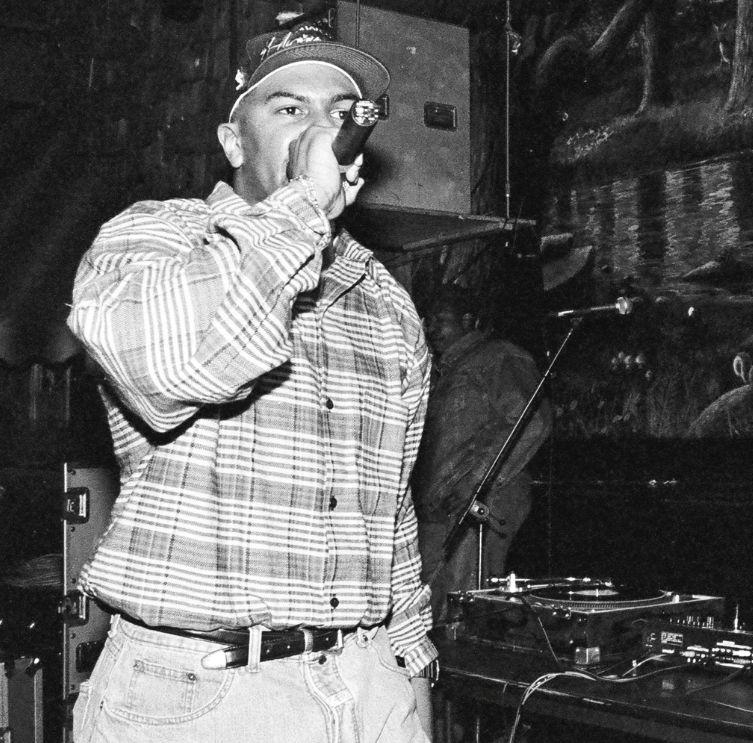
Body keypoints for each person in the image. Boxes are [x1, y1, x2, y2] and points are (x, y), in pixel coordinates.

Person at [66, 22, 436, 743]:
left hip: (366, 681)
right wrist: (300, 208)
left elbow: (392, 518)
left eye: (339, 113)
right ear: (234, 143)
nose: (320, 128)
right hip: (199, 694)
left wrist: (409, 687)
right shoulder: (155, 238)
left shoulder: (384, 300)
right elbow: (176, 365)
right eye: (288, 108)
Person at [412, 286, 552, 623]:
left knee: (463, 603)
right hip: (443, 506)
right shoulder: (443, 370)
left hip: (481, 498)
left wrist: (477, 482)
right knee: (431, 602)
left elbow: (531, 418)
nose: (431, 329)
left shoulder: (499, 357)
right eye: (427, 321)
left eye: (440, 321)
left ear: (468, 320)